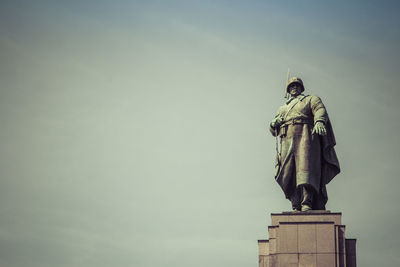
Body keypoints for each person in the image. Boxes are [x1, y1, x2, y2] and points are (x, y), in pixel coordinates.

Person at [269, 77, 340, 211]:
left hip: (306, 136)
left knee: (305, 170)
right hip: (287, 138)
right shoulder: (283, 108)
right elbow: (273, 129)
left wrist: (319, 121)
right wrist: (273, 123)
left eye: (296, 85)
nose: (294, 87)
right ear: (288, 90)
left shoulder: (310, 99)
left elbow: (320, 109)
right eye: (291, 86)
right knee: (289, 172)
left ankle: (306, 201)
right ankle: (295, 203)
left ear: (301, 87)